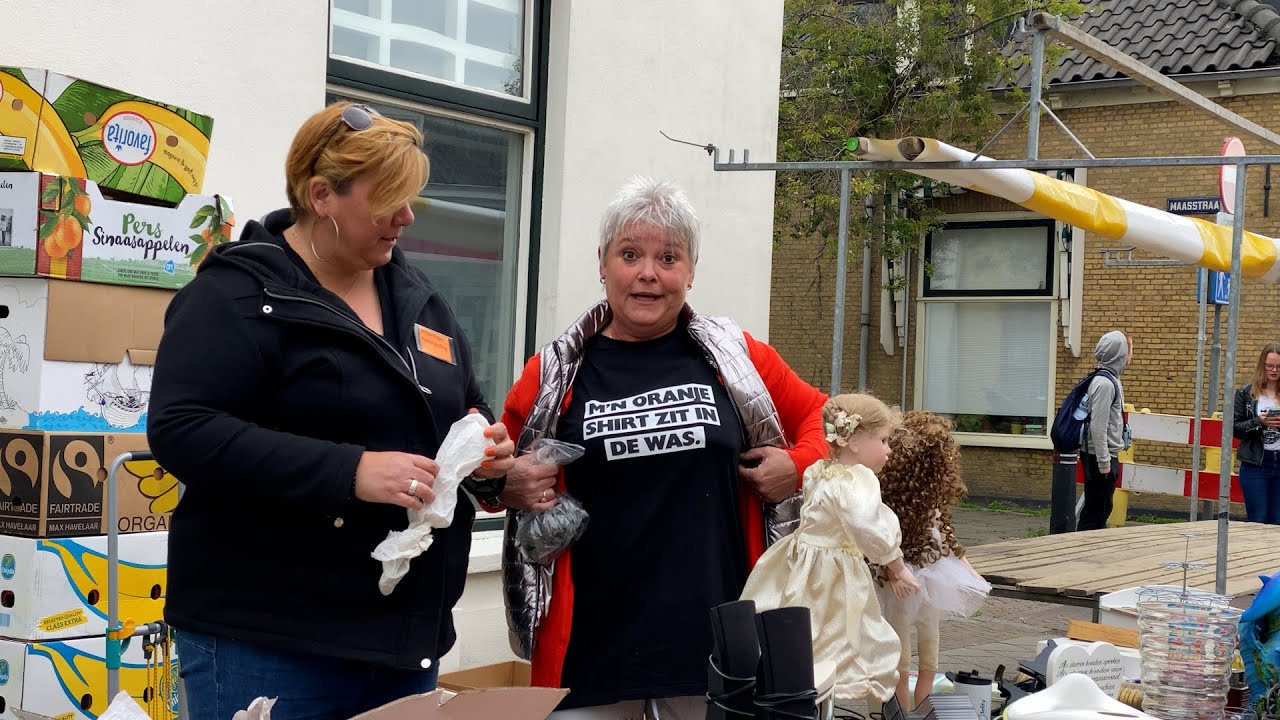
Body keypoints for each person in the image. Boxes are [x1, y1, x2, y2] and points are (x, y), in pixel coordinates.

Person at [147, 102, 516, 719]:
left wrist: (481, 451)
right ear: (321, 195)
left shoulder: (418, 299)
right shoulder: (236, 297)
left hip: (399, 640)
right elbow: (183, 429)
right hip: (269, 643)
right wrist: (349, 472)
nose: (406, 217)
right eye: (389, 199)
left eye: (411, 198)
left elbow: (459, 403)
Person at [495, 177, 829, 719]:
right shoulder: (553, 372)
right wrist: (504, 480)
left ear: (690, 272)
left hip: (713, 642)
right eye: (630, 255)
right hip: (590, 649)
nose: (648, 272)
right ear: (603, 265)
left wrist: (797, 464)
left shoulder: (737, 358)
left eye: (667, 257)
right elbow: (493, 475)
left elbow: (825, 418)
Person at [872, 411, 990, 710]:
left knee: (928, 648)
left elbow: (948, 543)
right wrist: (892, 571)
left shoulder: (929, 502)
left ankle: (922, 707)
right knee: (901, 654)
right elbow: (878, 543)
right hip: (897, 581)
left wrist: (971, 572)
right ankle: (899, 711)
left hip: (930, 576)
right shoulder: (885, 501)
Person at [1077, 331, 1132, 532]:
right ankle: (1083, 550)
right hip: (1100, 456)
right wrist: (1104, 462)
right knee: (1096, 511)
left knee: (1101, 508)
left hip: (1104, 454)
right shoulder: (1105, 384)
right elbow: (1098, 426)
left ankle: (1088, 548)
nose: (1131, 355)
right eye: (1129, 350)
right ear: (1120, 354)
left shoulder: (1110, 380)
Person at [1233, 343, 1280, 524]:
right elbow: (1234, 428)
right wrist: (1259, 422)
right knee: (1257, 520)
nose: (1274, 370)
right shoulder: (1246, 393)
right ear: (1262, 365)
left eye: (1278, 366)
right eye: (1270, 366)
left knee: (1277, 522)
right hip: (1255, 465)